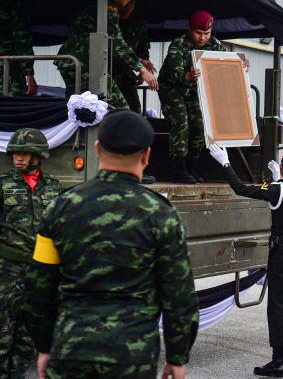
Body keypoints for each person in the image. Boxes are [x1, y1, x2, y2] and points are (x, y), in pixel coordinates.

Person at [20, 110, 198, 379]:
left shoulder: (60, 208)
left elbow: (37, 288)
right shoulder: (162, 215)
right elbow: (179, 295)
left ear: (97, 149)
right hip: (132, 357)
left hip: (70, 351)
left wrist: (44, 346)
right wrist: (177, 355)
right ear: (147, 155)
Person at [210, 144, 283, 377]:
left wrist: (226, 162)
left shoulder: (276, 189)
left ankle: (278, 362)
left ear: (282, 167)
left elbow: (240, 188)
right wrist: (278, 180)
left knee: (277, 304)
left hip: (282, 251)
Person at [158, 10, 249, 184]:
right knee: (181, 122)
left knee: (200, 125)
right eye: (198, 33)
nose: (202, 38)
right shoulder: (178, 44)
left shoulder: (214, 44)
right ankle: (179, 168)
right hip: (172, 88)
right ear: (189, 29)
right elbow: (174, 71)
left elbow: (224, 63)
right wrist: (187, 76)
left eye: (206, 33)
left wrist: (241, 64)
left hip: (194, 90)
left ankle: (191, 166)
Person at [0, 128, 62, 378]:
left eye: (25, 153)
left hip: (38, 273)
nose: (19, 157)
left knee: (27, 338)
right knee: (2, 334)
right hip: (7, 271)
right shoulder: (3, 184)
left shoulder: (54, 187)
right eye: (16, 153)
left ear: (39, 156)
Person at [55, 0, 158, 108]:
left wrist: (140, 61)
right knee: (121, 109)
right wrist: (142, 70)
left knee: (79, 109)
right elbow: (116, 41)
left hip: (74, 62)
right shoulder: (107, 5)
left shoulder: (100, 1)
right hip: (84, 64)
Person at [113, 0, 157, 114]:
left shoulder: (138, 22)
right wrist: (141, 66)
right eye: (126, 1)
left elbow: (143, 48)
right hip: (107, 72)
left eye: (132, 2)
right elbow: (118, 48)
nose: (128, 5)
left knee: (134, 109)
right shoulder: (111, 19)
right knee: (115, 109)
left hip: (126, 74)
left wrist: (143, 70)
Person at [0, 0, 37, 97]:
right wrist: (29, 73)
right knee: (11, 102)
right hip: (9, 66)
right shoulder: (14, 2)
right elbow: (21, 37)